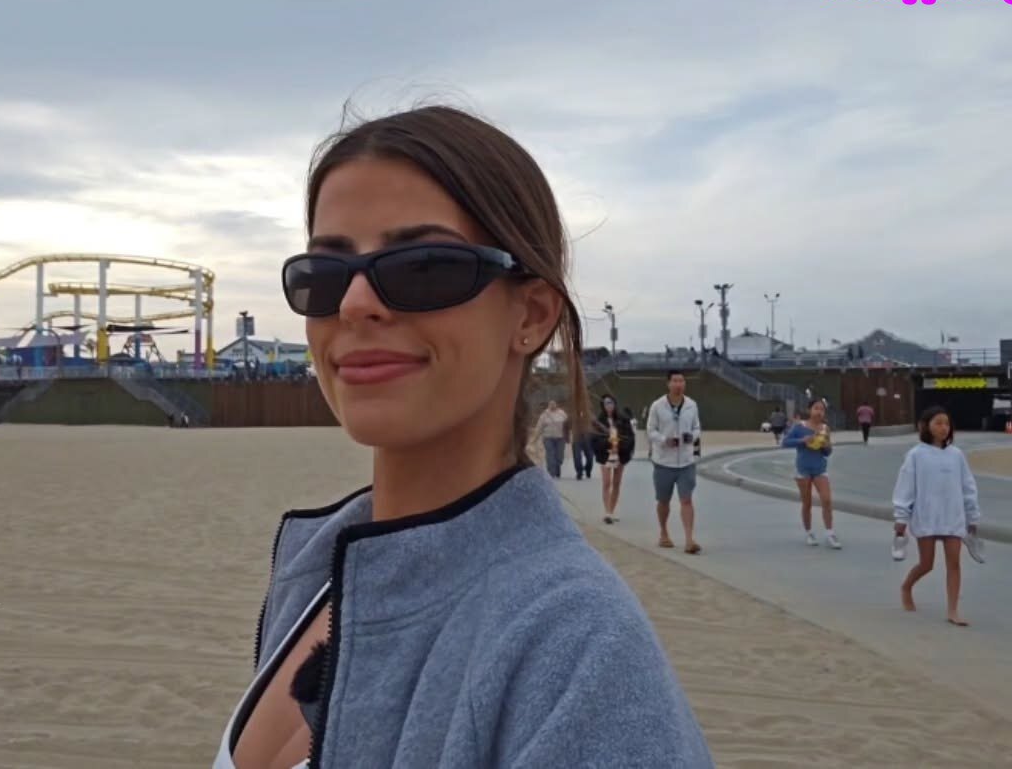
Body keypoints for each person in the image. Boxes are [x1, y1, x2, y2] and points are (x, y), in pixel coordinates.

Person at [228, 105, 711, 768]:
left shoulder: (576, 645)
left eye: (423, 267)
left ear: (530, 314)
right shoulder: (317, 571)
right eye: (323, 276)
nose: (354, 304)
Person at [892, 407, 982, 626]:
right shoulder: (916, 455)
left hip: (953, 516)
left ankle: (953, 610)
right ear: (925, 426)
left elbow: (968, 487)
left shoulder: (956, 455)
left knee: (954, 564)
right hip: (927, 516)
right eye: (938, 423)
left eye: (946, 423)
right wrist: (901, 518)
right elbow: (905, 488)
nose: (943, 428)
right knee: (927, 564)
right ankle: (906, 587)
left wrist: (972, 516)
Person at [646, 370, 703, 554]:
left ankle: (689, 540)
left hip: (686, 461)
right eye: (675, 381)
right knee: (664, 501)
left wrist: (692, 436)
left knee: (686, 499)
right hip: (664, 461)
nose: (679, 384)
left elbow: (697, 427)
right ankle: (664, 533)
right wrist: (664, 440)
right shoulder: (657, 405)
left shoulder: (692, 405)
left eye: (682, 381)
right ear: (668, 383)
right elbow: (650, 430)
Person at [782, 398, 840, 549]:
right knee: (807, 503)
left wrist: (826, 446)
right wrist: (803, 440)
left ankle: (830, 533)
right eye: (816, 408)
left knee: (826, 500)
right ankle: (809, 533)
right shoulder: (799, 427)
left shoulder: (825, 428)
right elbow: (785, 442)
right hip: (803, 469)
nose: (819, 412)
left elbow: (827, 452)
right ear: (809, 410)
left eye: (822, 409)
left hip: (820, 468)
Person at [590, 394, 634, 524]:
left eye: (611, 402)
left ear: (615, 404)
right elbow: (594, 439)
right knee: (606, 482)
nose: (609, 405)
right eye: (606, 403)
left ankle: (611, 511)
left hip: (620, 454)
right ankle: (607, 512)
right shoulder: (598, 421)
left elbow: (630, 437)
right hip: (606, 454)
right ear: (603, 405)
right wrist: (607, 443)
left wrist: (621, 445)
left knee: (616, 483)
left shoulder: (623, 419)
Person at [533, 399, 568, 478]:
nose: (552, 405)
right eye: (551, 404)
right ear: (548, 405)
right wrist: (535, 438)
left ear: (556, 405)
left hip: (560, 438)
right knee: (550, 454)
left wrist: (568, 434)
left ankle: (557, 467)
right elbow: (539, 427)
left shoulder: (562, 413)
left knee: (560, 456)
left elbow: (567, 424)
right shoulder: (544, 415)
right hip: (548, 438)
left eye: (553, 404)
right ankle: (551, 472)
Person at [570, 406, 594, 481]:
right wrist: (566, 435)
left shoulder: (589, 415)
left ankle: (588, 469)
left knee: (590, 457)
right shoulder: (572, 415)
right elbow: (565, 425)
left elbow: (596, 424)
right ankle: (579, 472)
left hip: (587, 439)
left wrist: (605, 430)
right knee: (577, 457)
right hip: (576, 439)